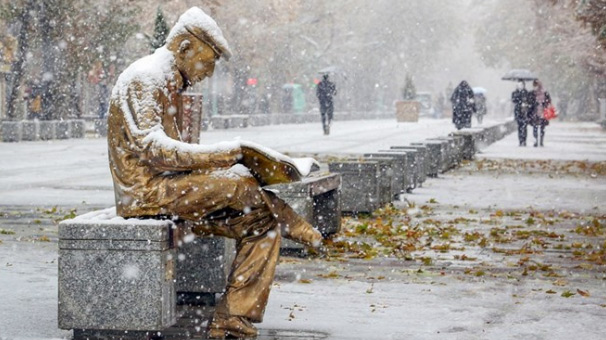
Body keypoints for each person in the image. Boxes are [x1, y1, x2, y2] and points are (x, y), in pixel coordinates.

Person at [106, 7, 322, 339]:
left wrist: (226, 159)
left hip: (170, 191)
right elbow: (153, 149)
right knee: (239, 183)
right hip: (146, 194)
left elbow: (172, 154)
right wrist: (225, 154)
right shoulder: (145, 77)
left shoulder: (167, 80)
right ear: (184, 49)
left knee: (262, 225)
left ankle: (233, 317)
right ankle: (290, 218)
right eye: (207, 63)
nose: (208, 73)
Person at [527, 79, 551, 147]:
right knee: (535, 127)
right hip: (534, 113)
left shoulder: (545, 93)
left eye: (536, 85)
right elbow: (529, 102)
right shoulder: (531, 93)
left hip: (543, 112)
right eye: (534, 85)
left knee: (542, 128)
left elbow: (548, 101)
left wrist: (544, 104)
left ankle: (541, 141)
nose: (535, 87)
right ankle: (536, 140)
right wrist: (533, 103)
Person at [511, 81, 530, 146]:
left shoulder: (526, 92)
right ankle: (520, 140)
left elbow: (529, 100)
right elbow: (513, 100)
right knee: (519, 127)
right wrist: (520, 98)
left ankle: (524, 140)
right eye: (519, 85)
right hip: (518, 111)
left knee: (524, 127)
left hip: (525, 111)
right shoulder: (514, 92)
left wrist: (525, 102)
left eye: (522, 84)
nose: (520, 86)